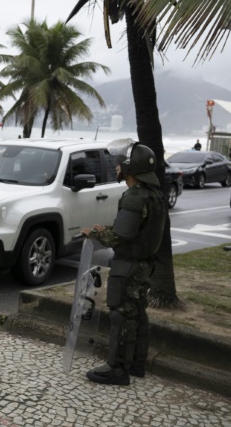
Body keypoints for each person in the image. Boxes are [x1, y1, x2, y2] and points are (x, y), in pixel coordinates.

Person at [81, 139, 167, 386]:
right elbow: (134, 230)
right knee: (137, 312)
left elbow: (120, 236)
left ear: (130, 168)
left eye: (119, 164)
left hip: (128, 266)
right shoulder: (155, 195)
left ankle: (117, 369)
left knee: (121, 316)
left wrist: (95, 233)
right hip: (144, 265)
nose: (116, 168)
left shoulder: (134, 197)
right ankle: (137, 363)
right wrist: (107, 229)